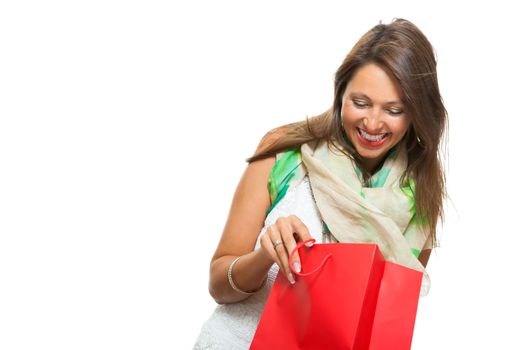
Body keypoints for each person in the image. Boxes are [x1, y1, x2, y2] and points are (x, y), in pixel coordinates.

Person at [193, 18, 447, 349]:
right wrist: (265, 255)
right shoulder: (285, 153)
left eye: (394, 110)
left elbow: (381, 327)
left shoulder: (419, 198)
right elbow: (218, 285)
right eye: (360, 102)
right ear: (340, 93)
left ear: (416, 113)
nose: (372, 122)